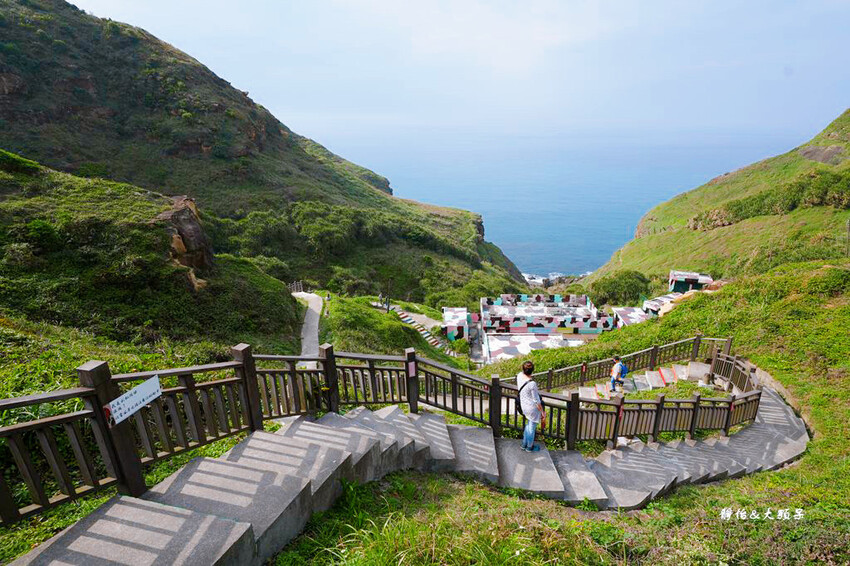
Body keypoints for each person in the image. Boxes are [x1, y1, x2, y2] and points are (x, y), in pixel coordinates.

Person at [516, 360, 546, 452]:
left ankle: (524, 444)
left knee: (528, 426)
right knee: (531, 427)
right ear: (532, 370)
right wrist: (542, 412)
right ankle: (529, 447)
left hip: (523, 406)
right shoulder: (532, 384)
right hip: (532, 408)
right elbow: (536, 401)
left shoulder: (519, 376)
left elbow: (523, 373)